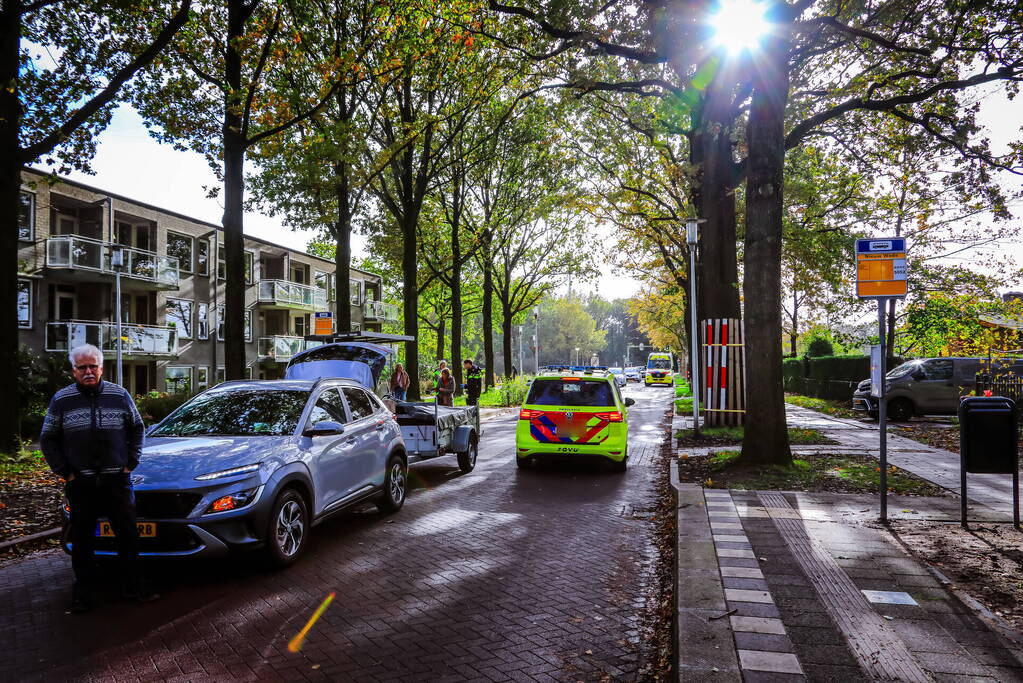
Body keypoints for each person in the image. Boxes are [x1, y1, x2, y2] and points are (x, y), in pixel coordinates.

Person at [40, 344, 155, 613]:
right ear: (74, 371)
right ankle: (84, 593)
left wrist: (130, 462)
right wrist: (64, 471)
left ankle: (133, 585)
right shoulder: (62, 399)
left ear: (102, 368)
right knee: (82, 539)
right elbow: (48, 437)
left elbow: (137, 429)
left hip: (117, 479)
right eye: (83, 367)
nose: (89, 371)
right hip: (81, 482)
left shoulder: (119, 394)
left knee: (127, 534)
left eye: (93, 366)